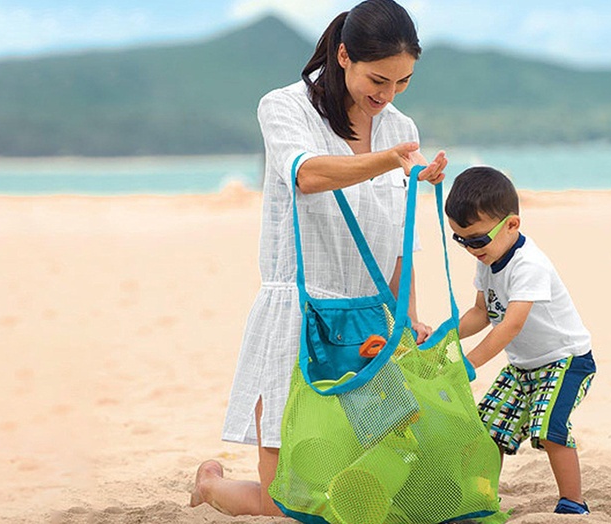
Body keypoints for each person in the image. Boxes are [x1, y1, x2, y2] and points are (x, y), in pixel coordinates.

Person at [190, 0, 446, 516]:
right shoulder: (284, 107)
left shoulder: (400, 126)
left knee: (379, 482)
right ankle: (212, 484)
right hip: (300, 316)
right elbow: (306, 175)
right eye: (379, 79)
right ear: (345, 55)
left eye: (402, 83)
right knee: (288, 499)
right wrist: (390, 162)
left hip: (373, 326)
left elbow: (401, 241)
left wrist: (409, 315)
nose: (388, 94)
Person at [445, 166, 597, 515]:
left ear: (512, 224)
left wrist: (468, 363)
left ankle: (574, 502)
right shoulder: (488, 258)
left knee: (549, 429)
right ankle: (483, 497)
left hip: (566, 361)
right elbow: (481, 313)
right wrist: (444, 335)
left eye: (477, 239)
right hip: (524, 366)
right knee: (488, 430)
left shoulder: (529, 265)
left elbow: (510, 325)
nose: (470, 248)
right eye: (460, 240)